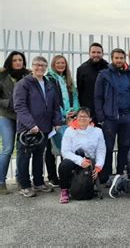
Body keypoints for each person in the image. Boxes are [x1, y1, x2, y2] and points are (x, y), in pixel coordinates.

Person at [13, 56, 62, 197]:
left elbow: (55, 105)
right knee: (24, 156)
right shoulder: (24, 84)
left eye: (43, 65)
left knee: (39, 156)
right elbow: (20, 106)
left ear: (46, 67)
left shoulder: (49, 84)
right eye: (37, 65)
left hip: (45, 128)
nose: (40, 68)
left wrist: (57, 121)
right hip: (28, 129)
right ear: (32, 66)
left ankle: (39, 182)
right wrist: (31, 124)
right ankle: (25, 185)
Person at [94, 48, 130, 183]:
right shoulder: (104, 75)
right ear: (112, 59)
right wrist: (101, 117)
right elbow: (97, 97)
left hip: (127, 117)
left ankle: (121, 174)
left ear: (124, 59)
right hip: (109, 118)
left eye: (121, 58)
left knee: (125, 146)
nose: (119, 60)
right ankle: (105, 176)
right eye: (116, 58)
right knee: (107, 147)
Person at [45, 55, 80, 187]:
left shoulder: (69, 80)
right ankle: (52, 177)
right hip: (55, 118)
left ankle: (67, 175)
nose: (60, 65)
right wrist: (63, 114)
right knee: (52, 149)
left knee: (67, 148)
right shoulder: (49, 79)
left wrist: (74, 111)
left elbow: (75, 96)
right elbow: (51, 100)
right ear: (53, 64)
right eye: (58, 63)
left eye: (63, 63)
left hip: (70, 118)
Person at [58, 107, 106, 204]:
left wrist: (98, 167)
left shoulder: (97, 131)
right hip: (75, 159)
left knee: (104, 177)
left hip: (91, 162)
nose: (82, 119)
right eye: (80, 116)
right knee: (64, 165)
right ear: (76, 117)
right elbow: (65, 151)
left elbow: (101, 150)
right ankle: (64, 190)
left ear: (90, 119)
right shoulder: (69, 130)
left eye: (85, 116)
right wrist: (80, 161)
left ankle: (88, 186)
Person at [0, 51, 29, 194]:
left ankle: (20, 179)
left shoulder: (28, 76)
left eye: (20, 60)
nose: (18, 62)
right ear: (10, 62)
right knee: (7, 149)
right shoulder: (2, 76)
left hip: (23, 117)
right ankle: (1, 182)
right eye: (15, 60)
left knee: (23, 149)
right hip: (6, 115)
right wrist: (9, 103)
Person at [76, 43, 108, 123]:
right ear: (89, 53)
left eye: (98, 52)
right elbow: (80, 91)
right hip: (88, 111)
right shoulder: (82, 69)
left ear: (102, 53)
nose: (96, 55)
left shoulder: (108, 69)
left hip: (105, 110)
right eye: (93, 52)